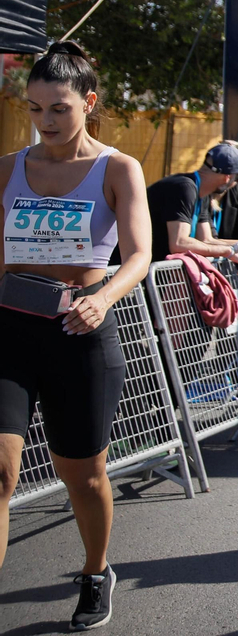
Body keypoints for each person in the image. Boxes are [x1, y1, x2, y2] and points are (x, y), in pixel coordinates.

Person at [0, 42, 154, 631]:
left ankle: (95, 571)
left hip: (79, 330)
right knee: (1, 472)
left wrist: (102, 299)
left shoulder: (118, 168)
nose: (45, 121)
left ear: (88, 103)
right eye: (35, 108)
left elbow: (139, 255)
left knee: (83, 477)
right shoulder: (8, 168)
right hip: (10, 330)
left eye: (59, 109)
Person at [144, 143, 238, 274]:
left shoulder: (202, 192)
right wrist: (228, 252)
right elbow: (179, 243)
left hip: (155, 274)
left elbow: (206, 240)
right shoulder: (184, 187)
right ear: (227, 178)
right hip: (141, 275)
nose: (235, 184)